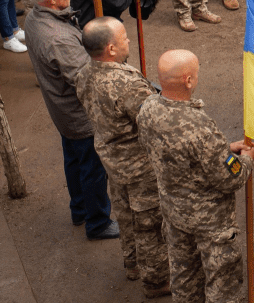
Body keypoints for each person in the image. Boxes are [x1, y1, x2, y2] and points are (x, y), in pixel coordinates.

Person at [137, 50, 254, 303]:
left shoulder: (147, 108)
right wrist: (247, 159)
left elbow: (179, 150)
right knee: (221, 284)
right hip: (211, 224)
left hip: (174, 213)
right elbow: (231, 178)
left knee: (184, 279)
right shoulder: (199, 127)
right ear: (188, 80)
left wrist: (223, 149)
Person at [77, 17, 170, 297]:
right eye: (124, 38)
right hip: (139, 165)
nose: (128, 40)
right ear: (110, 49)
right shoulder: (125, 83)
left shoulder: (84, 73)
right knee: (149, 224)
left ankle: (132, 264)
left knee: (125, 215)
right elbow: (156, 120)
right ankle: (155, 281)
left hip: (112, 160)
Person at [24, 0, 118, 241]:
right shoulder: (59, 39)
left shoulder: (34, 18)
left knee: (75, 161)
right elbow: (86, 80)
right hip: (79, 115)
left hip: (62, 111)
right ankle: (98, 222)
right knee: (93, 170)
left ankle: (79, 209)